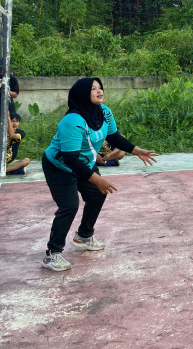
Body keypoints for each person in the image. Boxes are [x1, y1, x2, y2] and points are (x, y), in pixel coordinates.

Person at [41, 77, 157, 271]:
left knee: (97, 194)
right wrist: (98, 179)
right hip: (59, 166)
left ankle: (83, 236)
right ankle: (51, 255)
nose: (99, 91)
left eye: (100, 87)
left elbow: (113, 137)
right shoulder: (72, 121)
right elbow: (71, 159)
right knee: (69, 206)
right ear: (81, 94)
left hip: (84, 162)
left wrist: (137, 151)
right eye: (93, 89)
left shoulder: (104, 112)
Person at [0, 58, 19, 133]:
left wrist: (7, 91)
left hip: (8, 107)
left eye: (0, 69)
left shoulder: (12, 79)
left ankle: (9, 143)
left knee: (10, 128)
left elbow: (15, 94)